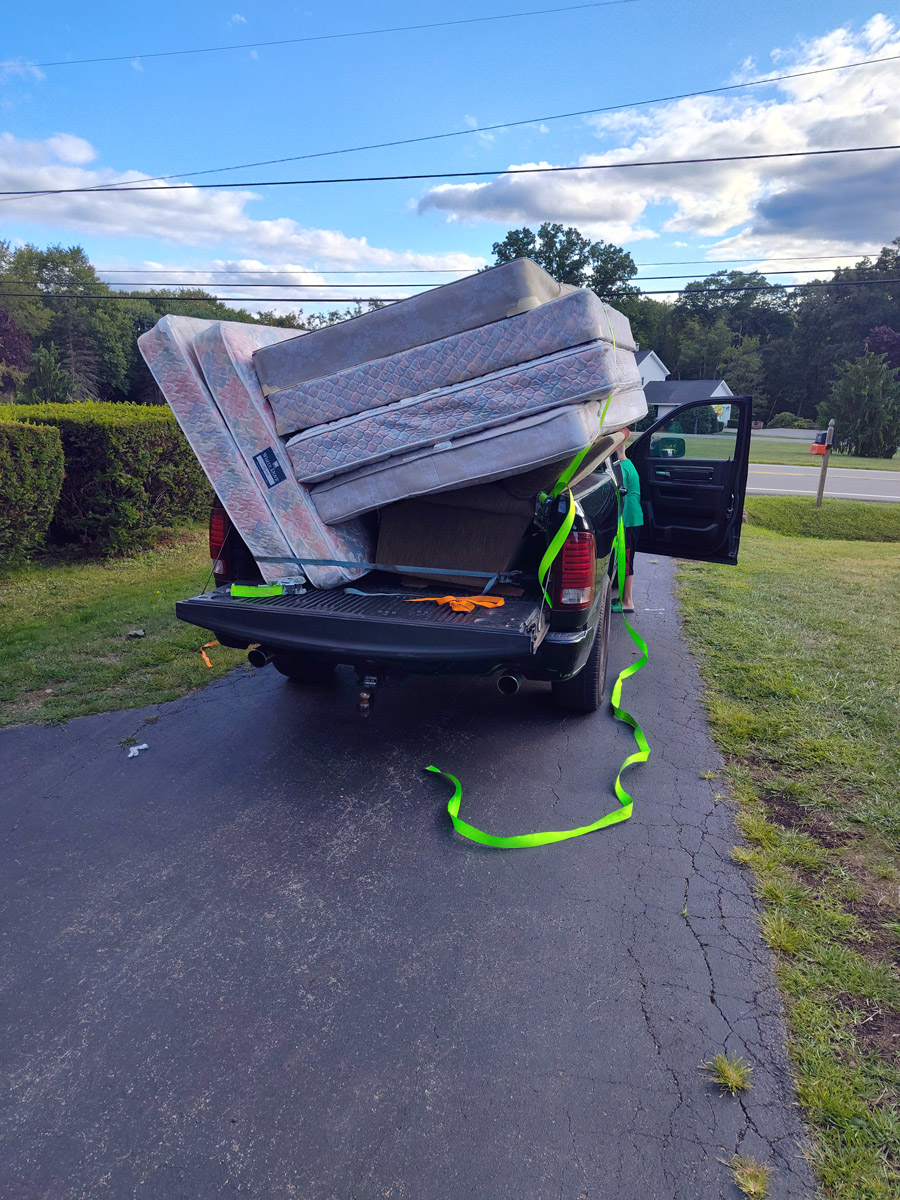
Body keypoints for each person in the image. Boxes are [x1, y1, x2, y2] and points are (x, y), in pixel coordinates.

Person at [612, 428, 643, 614]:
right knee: (627, 559)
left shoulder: (621, 470)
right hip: (633, 517)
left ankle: (627, 602)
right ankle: (624, 598)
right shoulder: (628, 463)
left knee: (626, 561)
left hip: (629, 520)